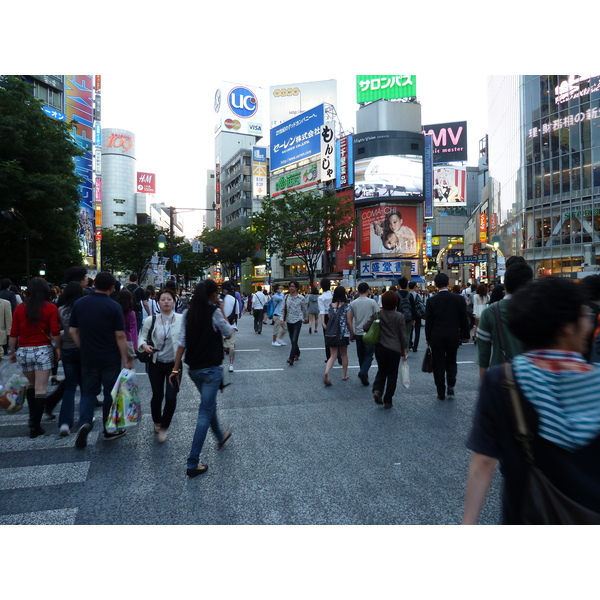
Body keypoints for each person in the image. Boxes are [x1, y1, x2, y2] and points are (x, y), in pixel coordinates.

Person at [462, 276, 600, 524]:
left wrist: (468, 524)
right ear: (566, 327)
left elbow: (483, 461)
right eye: (583, 315)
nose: (588, 324)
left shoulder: (503, 380)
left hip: (528, 515)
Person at [169, 280, 233, 478]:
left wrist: (175, 369)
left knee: (208, 404)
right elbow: (228, 332)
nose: (218, 297)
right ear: (212, 295)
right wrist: (221, 310)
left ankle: (220, 435)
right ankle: (192, 463)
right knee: (204, 412)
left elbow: (182, 343)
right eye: (216, 294)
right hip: (211, 370)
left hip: (193, 369)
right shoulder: (213, 312)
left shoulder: (189, 313)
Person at [69, 271, 134, 449]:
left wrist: (82, 346)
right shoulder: (114, 307)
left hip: (88, 357)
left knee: (88, 392)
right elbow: (120, 335)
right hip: (110, 357)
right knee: (109, 394)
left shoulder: (80, 303)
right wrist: (126, 358)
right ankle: (108, 430)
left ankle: (85, 422)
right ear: (112, 288)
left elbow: (72, 330)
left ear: (94, 283)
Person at [8, 277, 61, 438]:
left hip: (24, 351)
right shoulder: (50, 308)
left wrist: (12, 351)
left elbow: (14, 332)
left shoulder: (19, 309)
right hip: (42, 350)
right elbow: (54, 331)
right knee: (41, 388)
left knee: (31, 384)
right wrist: (58, 347)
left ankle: (32, 419)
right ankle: (36, 426)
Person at [138, 288, 183, 443]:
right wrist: (144, 347)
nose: (166, 302)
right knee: (157, 395)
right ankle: (157, 422)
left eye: (169, 299)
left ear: (174, 301)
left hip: (174, 364)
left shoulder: (181, 319)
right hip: (155, 364)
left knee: (171, 397)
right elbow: (141, 338)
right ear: (158, 302)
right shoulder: (151, 320)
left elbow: (187, 341)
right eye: (163, 299)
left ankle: (164, 428)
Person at [476, 262, 534, 380]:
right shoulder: (539, 310)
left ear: (505, 284)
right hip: (533, 381)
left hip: (500, 379)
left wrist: (484, 386)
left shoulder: (490, 312)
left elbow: (484, 355)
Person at [424, 273, 470, 400]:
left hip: (436, 336)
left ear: (435, 285)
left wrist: (428, 337)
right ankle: (451, 385)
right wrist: (466, 334)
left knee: (438, 363)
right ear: (448, 283)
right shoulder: (458, 299)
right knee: (451, 360)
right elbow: (463, 319)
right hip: (453, 335)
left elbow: (429, 322)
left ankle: (440, 390)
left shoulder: (431, 301)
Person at [363, 290, 408, 409]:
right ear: (395, 302)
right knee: (392, 374)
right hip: (395, 349)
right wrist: (404, 349)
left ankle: (377, 390)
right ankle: (388, 400)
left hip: (380, 348)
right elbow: (403, 335)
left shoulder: (378, 314)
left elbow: (365, 327)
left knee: (382, 370)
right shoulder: (400, 316)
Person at [56, 281, 84, 436]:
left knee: (70, 387)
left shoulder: (60, 310)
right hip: (81, 348)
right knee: (86, 386)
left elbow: (56, 330)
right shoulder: (82, 308)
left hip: (66, 349)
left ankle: (65, 423)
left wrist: (58, 347)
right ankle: (85, 417)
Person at [323, 285, 354, 385]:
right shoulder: (347, 306)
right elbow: (349, 322)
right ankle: (344, 375)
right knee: (344, 354)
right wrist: (352, 333)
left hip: (332, 333)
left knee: (333, 356)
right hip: (343, 333)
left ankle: (327, 372)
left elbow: (330, 319)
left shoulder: (330, 306)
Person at [350, 282, 379, 386]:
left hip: (358, 331)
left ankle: (364, 374)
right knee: (369, 355)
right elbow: (377, 316)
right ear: (368, 291)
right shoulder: (372, 302)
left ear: (358, 291)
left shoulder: (353, 303)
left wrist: (351, 332)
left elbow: (350, 319)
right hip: (370, 332)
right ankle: (363, 372)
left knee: (360, 355)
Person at [282, 281, 308, 366]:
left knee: (294, 339)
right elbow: (283, 308)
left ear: (296, 288)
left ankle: (291, 358)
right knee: (292, 339)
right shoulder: (286, 297)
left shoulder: (301, 298)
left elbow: (304, 309)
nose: (291, 288)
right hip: (289, 320)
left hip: (298, 320)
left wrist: (306, 318)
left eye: (293, 286)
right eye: (290, 286)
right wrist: (282, 319)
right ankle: (297, 352)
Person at [221, 281, 240, 372]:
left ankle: (218, 365)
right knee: (231, 346)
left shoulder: (218, 299)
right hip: (231, 325)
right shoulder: (234, 300)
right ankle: (231, 365)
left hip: (219, 326)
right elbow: (237, 314)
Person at [115, 289, 138, 359]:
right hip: (127, 340)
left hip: (114, 340)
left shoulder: (115, 311)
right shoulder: (131, 313)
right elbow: (133, 330)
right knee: (129, 363)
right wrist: (135, 345)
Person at [397, 277, 416, 349]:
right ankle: (406, 349)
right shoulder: (410, 295)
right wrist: (413, 318)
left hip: (399, 317)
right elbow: (413, 307)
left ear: (399, 285)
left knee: (399, 333)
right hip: (408, 317)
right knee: (407, 334)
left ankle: (400, 348)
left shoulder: (396, 294)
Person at [408, 281, 423, 352]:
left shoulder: (407, 295)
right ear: (414, 287)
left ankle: (409, 343)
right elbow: (421, 302)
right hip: (417, 314)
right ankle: (415, 346)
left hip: (410, 314)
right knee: (417, 331)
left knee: (409, 330)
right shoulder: (418, 295)